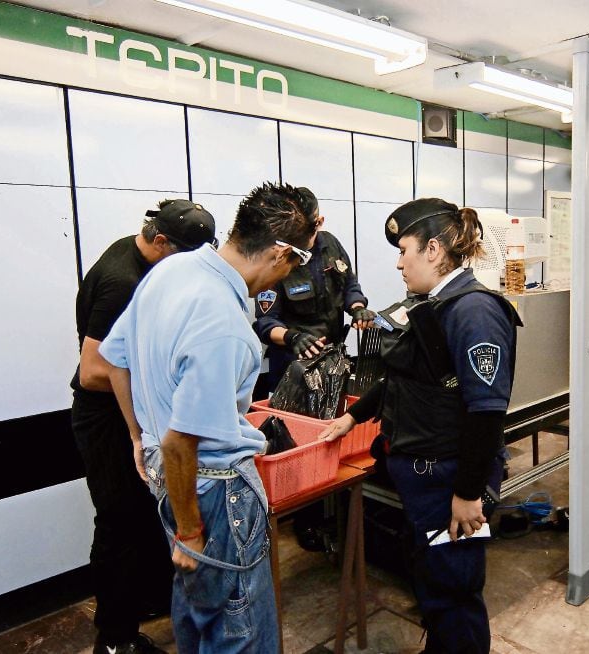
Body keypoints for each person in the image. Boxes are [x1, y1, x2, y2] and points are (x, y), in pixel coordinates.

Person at [99, 182, 315, 654]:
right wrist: (191, 530)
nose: (285, 279)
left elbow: (113, 360)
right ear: (281, 254)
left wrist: (138, 437)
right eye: (295, 264)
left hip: (168, 477)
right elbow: (182, 443)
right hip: (214, 491)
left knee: (197, 609)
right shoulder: (226, 327)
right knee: (240, 629)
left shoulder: (172, 269)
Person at [319, 198, 521, 654]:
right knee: (433, 581)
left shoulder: (474, 312)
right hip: (424, 477)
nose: (398, 262)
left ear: (432, 250)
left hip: (450, 478)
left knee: (455, 589)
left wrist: (469, 494)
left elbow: (486, 412)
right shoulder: (431, 304)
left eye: (404, 249)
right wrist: (352, 416)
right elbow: (405, 379)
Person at [71, 199, 217, 654]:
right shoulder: (123, 281)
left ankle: (143, 604)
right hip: (108, 420)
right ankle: (114, 640)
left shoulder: (144, 260)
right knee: (120, 525)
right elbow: (93, 369)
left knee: (145, 520)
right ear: (159, 241)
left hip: (133, 413)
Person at [253, 187, 375, 397]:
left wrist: (357, 308)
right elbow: (265, 321)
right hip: (291, 369)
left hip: (332, 363)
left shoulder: (331, 244)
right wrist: (292, 337)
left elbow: (349, 284)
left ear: (319, 222)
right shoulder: (278, 257)